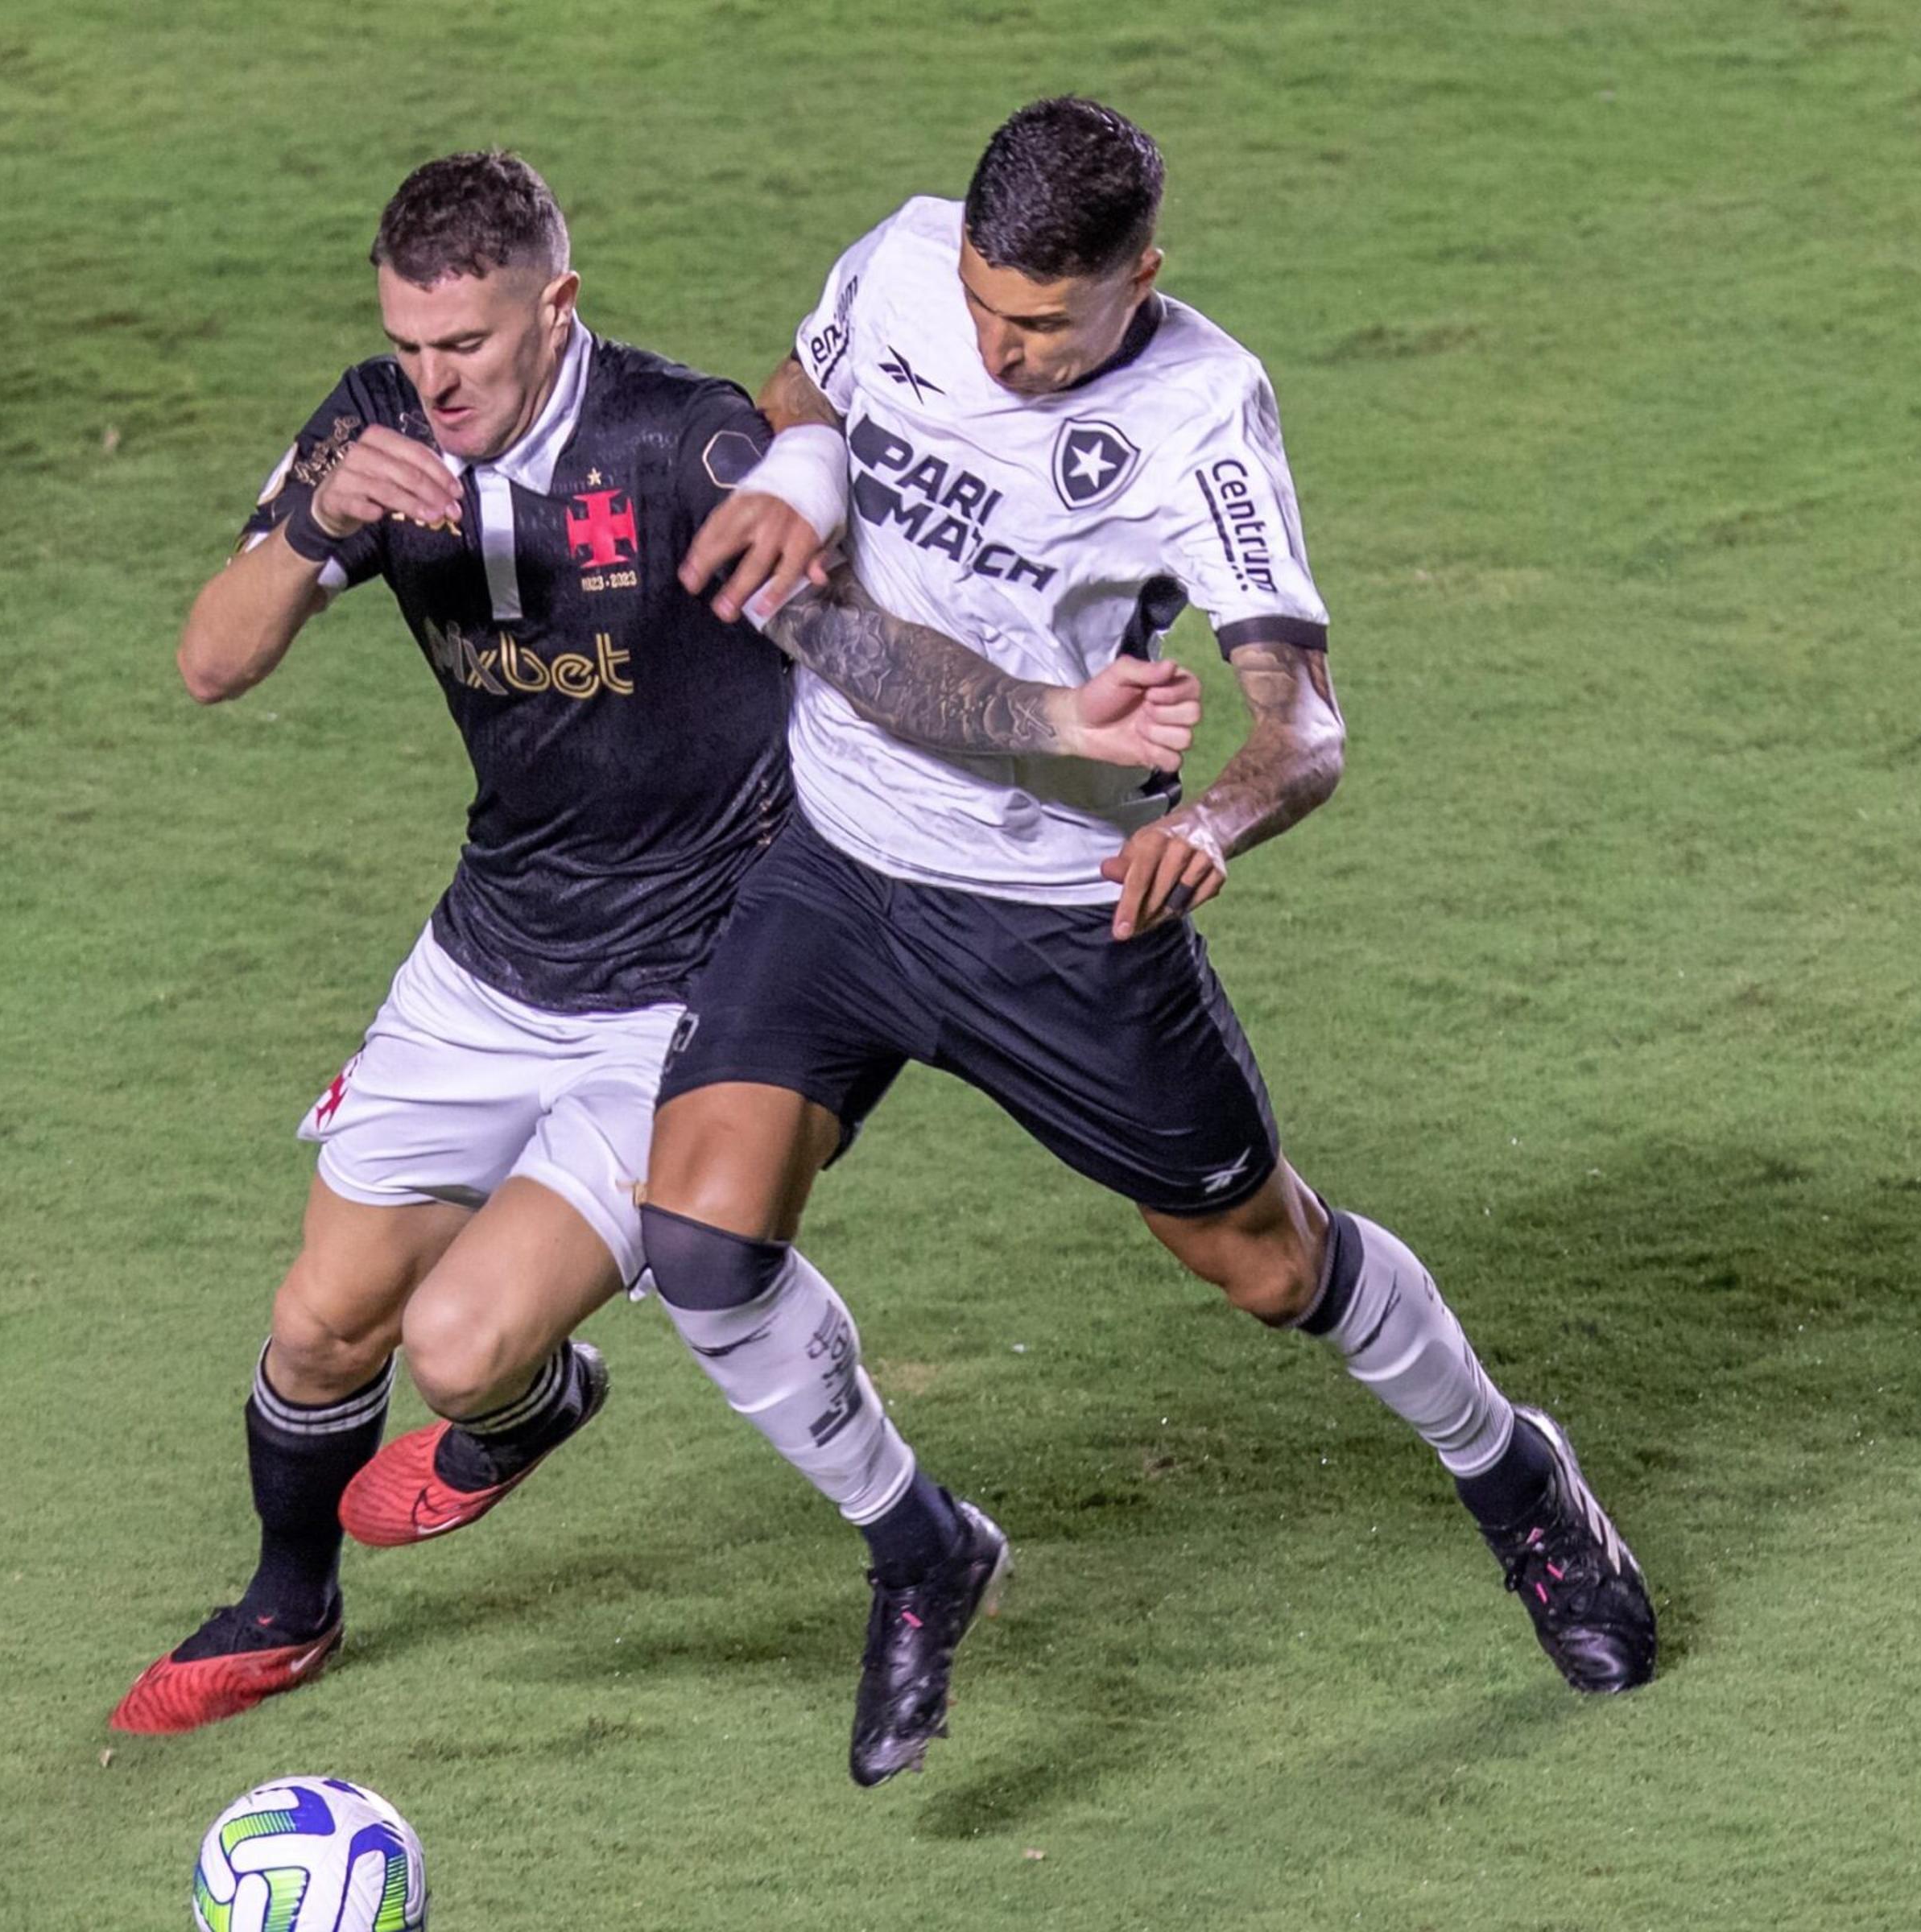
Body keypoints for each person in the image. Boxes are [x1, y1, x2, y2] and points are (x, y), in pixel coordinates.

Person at [109, 149, 1200, 1734]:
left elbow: (872, 656)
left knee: (460, 1346)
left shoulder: (682, 445)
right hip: (492, 958)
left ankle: (562, 1421)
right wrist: (314, 522)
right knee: (318, 1319)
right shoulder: (371, 425)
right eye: (411, 348)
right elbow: (212, 663)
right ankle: (290, 1606)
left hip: (692, 995)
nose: (437, 383)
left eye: (467, 348)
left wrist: (1050, 722)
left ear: (555, 305)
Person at [652, 97, 1659, 1786]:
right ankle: (920, 1545)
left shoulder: (1203, 412)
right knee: (696, 1244)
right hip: (837, 862)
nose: (1002, 347)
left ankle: (1514, 1475)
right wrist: (805, 462)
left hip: (1060, 910)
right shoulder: (901, 265)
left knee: (1267, 1264)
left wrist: (1209, 821)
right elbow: (809, 386)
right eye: (985, 306)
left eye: (1044, 323)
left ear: (1143, 282)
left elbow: (1306, 725)